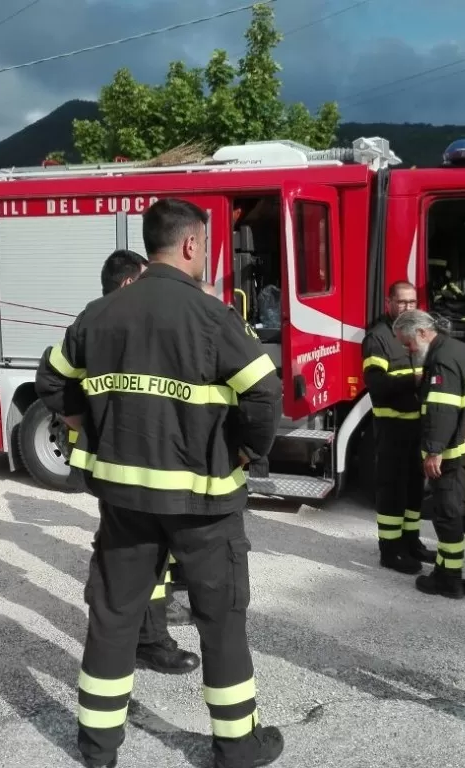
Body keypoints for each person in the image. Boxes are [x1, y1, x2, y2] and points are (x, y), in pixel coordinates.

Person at [38, 199, 284, 768]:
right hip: (204, 502)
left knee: (114, 617)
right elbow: (264, 393)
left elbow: (51, 378)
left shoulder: (101, 313)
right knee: (220, 621)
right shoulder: (213, 316)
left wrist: (85, 423)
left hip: (124, 501)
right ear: (192, 244)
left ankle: (98, 751)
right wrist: (250, 450)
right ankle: (237, 749)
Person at [38, 248, 199, 674]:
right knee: (126, 554)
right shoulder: (105, 320)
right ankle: (142, 640)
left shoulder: (106, 320)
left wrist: (84, 420)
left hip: (119, 467)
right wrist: (85, 422)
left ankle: (137, 636)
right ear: (129, 283)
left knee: (136, 554)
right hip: (120, 468)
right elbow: (50, 379)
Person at [392, 309, 465, 600]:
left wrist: (433, 451)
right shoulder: (459, 351)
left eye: (408, 344)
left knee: (448, 516)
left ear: (422, 333)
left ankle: (448, 579)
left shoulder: (441, 360)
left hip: (451, 454)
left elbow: (441, 410)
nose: (408, 350)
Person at [361, 281, 436, 574]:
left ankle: (411, 541)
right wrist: (414, 380)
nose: (407, 307)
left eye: (412, 302)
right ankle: (390, 551)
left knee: (414, 489)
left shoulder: (417, 333)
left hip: (417, 427)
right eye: (402, 302)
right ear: (388, 303)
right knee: (392, 490)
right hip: (391, 428)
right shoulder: (377, 338)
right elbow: (376, 385)